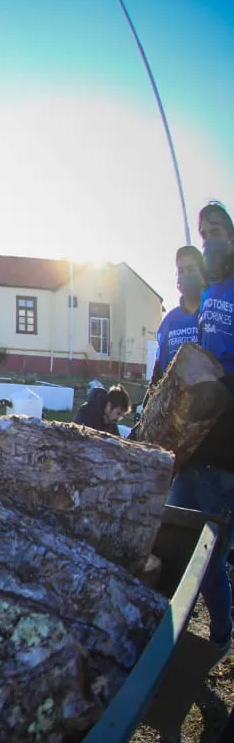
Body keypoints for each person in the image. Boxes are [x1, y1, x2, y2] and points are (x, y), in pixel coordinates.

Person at [171, 201, 234, 656]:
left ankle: (220, 637)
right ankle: (168, 637)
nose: (210, 237)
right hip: (192, 440)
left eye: (217, 230)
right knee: (174, 539)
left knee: (212, 557)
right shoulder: (209, 296)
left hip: (226, 441)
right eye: (203, 230)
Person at [149, 245, 206, 390]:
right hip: (177, 406)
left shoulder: (213, 315)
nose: (185, 275)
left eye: (191, 270)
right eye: (181, 271)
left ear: (203, 274)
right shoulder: (169, 322)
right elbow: (158, 373)